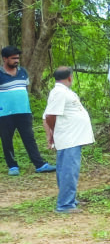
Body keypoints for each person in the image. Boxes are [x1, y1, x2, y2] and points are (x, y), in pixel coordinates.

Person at [42, 67, 94, 213]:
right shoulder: (59, 92)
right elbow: (49, 116)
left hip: (72, 137)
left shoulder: (62, 92)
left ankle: (68, 199)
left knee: (66, 169)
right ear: (70, 77)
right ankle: (65, 204)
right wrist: (53, 131)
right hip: (68, 137)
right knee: (68, 170)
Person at [0, 46, 55, 176]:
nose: (16, 61)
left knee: (29, 138)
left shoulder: (23, 72)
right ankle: (12, 166)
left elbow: (24, 89)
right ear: (5, 59)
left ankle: (39, 164)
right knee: (7, 140)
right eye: (13, 58)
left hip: (23, 112)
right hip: (5, 113)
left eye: (18, 58)